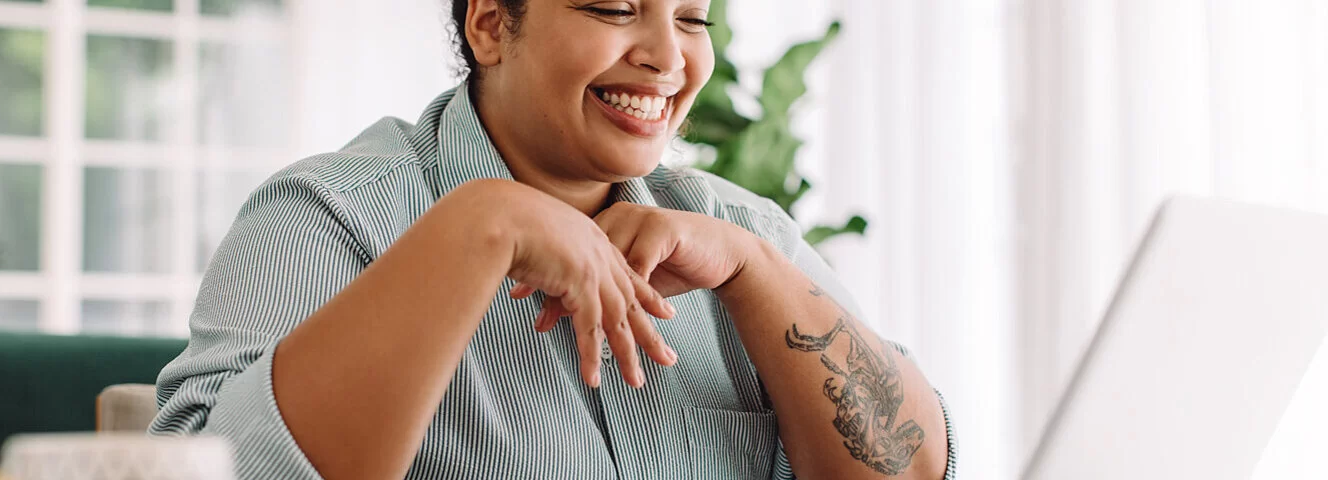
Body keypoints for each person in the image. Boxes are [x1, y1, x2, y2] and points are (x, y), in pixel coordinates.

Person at [150, 0, 957, 478]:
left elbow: (912, 470)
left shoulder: (742, 233)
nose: (668, 57)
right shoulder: (322, 217)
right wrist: (479, 228)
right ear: (493, 23)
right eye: (613, 8)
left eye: (692, 17)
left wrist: (753, 274)